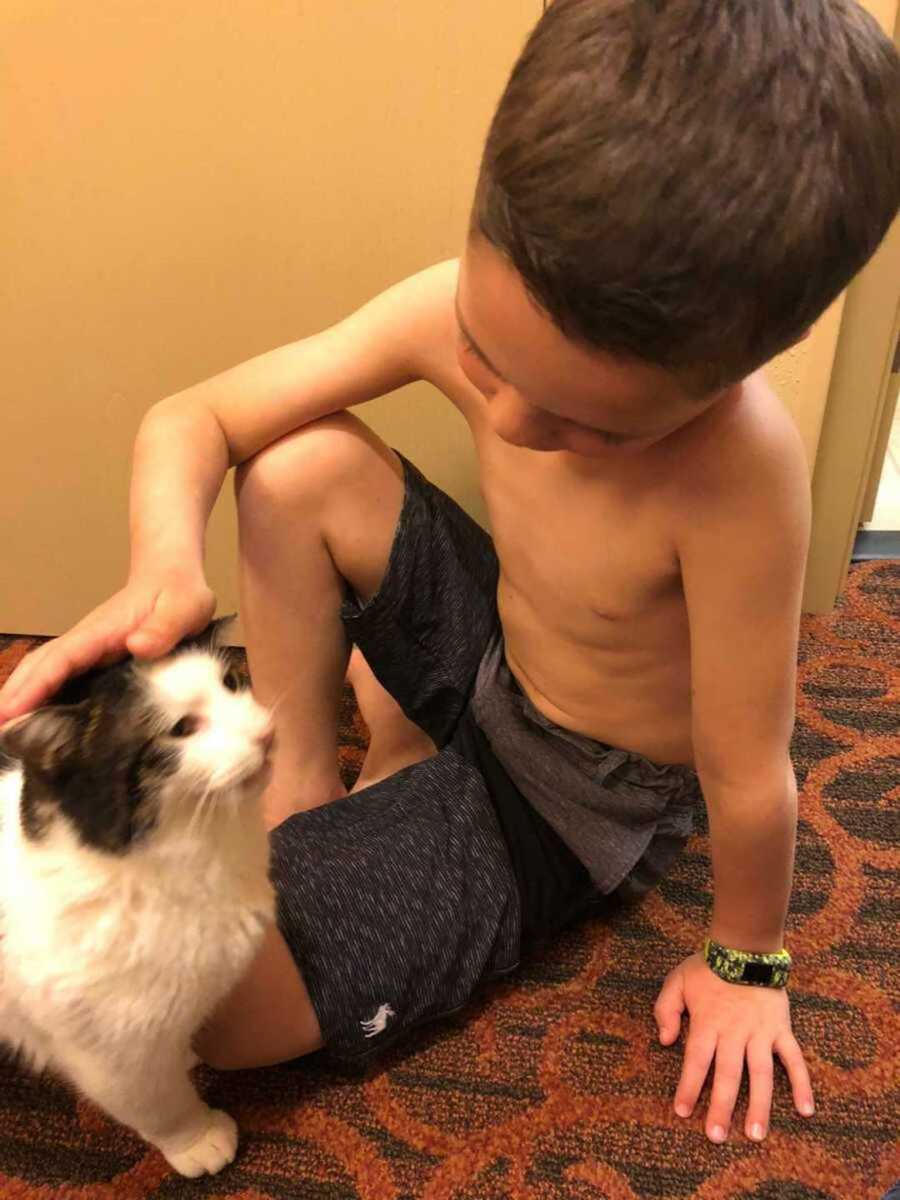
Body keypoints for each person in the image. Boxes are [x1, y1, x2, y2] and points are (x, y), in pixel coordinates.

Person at [2, 0, 898, 1148]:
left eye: (592, 425)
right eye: (487, 351)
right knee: (295, 463)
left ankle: (401, 786)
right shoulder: (449, 300)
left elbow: (748, 768)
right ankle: (306, 788)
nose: (511, 422)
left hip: (567, 795)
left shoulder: (742, 476)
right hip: (497, 657)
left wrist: (750, 960)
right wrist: (162, 569)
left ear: (736, 374)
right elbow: (199, 418)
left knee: (216, 1022)